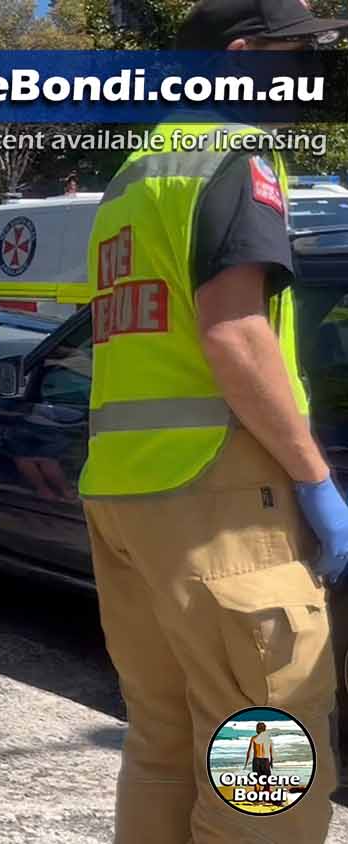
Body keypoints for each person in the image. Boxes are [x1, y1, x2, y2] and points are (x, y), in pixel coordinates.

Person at [79, 4, 348, 841]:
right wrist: (315, 479)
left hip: (124, 494)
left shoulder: (135, 174)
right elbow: (235, 334)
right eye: (303, 55)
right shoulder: (235, 155)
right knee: (266, 757)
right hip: (220, 499)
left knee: (165, 742)